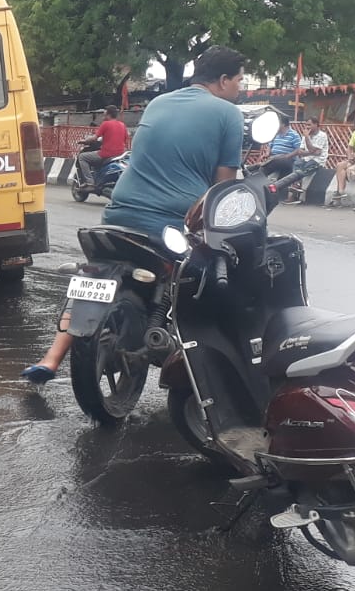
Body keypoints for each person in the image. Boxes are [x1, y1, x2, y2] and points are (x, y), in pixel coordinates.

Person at [24, 46, 246, 383]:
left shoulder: (158, 102)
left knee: (94, 279)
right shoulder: (229, 114)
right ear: (224, 80)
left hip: (118, 212)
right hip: (172, 221)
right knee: (215, 280)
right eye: (240, 80)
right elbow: (223, 188)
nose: (240, 88)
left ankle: (51, 358)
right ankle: (210, 370)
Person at [76, 105, 129, 186]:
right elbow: (124, 139)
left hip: (106, 154)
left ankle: (89, 182)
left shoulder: (105, 124)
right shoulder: (122, 125)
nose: (103, 115)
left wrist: (84, 141)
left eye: (104, 113)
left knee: (82, 157)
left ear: (108, 114)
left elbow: (94, 138)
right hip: (120, 154)